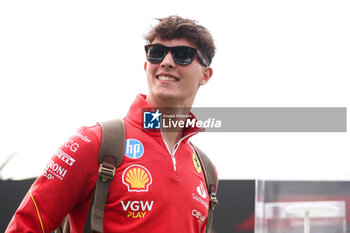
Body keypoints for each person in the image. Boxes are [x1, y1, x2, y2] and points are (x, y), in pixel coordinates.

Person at [6, 15, 217, 233]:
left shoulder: (206, 170)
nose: (166, 62)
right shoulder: (93, 141)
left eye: (182, 55)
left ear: (205, 75)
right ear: (147, 65)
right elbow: (24, 226)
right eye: (157, 53)